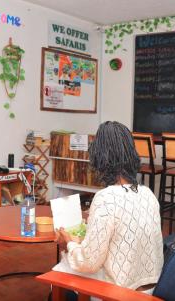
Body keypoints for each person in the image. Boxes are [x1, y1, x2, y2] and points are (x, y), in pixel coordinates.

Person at [54, 121, 164, 299]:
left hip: (119, 294)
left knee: (59, 272)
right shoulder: (148, 194)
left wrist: (68, 243)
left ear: (99, 157)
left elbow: (89, 263)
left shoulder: (106, 198)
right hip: (150, 289)